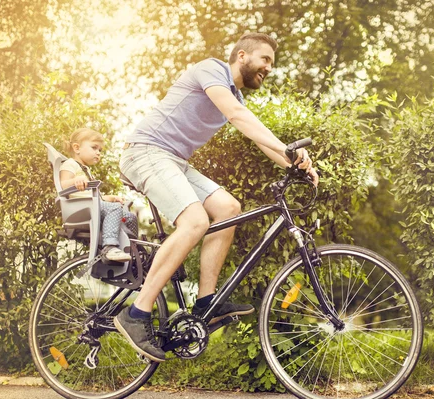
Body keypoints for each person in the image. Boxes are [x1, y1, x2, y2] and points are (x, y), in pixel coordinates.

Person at [115, 33, 318, 362]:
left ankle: (207, 301)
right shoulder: (211, 69)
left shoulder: (235, 93)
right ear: (242, 56)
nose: (269, 67)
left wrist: (296, 165)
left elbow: (259, 140)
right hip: (147, 151)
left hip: (174, 160)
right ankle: (136, 313)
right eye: (265, 59)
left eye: (272, 63)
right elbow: (238, 116)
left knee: (227, 207)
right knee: (194, 221)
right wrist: (289, 149)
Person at [60, 128, 138, 262]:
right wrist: (74, 181)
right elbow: (63, 184)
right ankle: (110, 247)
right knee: (114, 209)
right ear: (77, 148)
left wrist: (111, 198)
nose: (98, 153)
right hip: (81, 208)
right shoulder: (70, 164)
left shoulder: (86, 170)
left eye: (100, 150)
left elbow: (92, 195)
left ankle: (132, 250)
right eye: (94, 148)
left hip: (92, 205)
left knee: (130, 217)